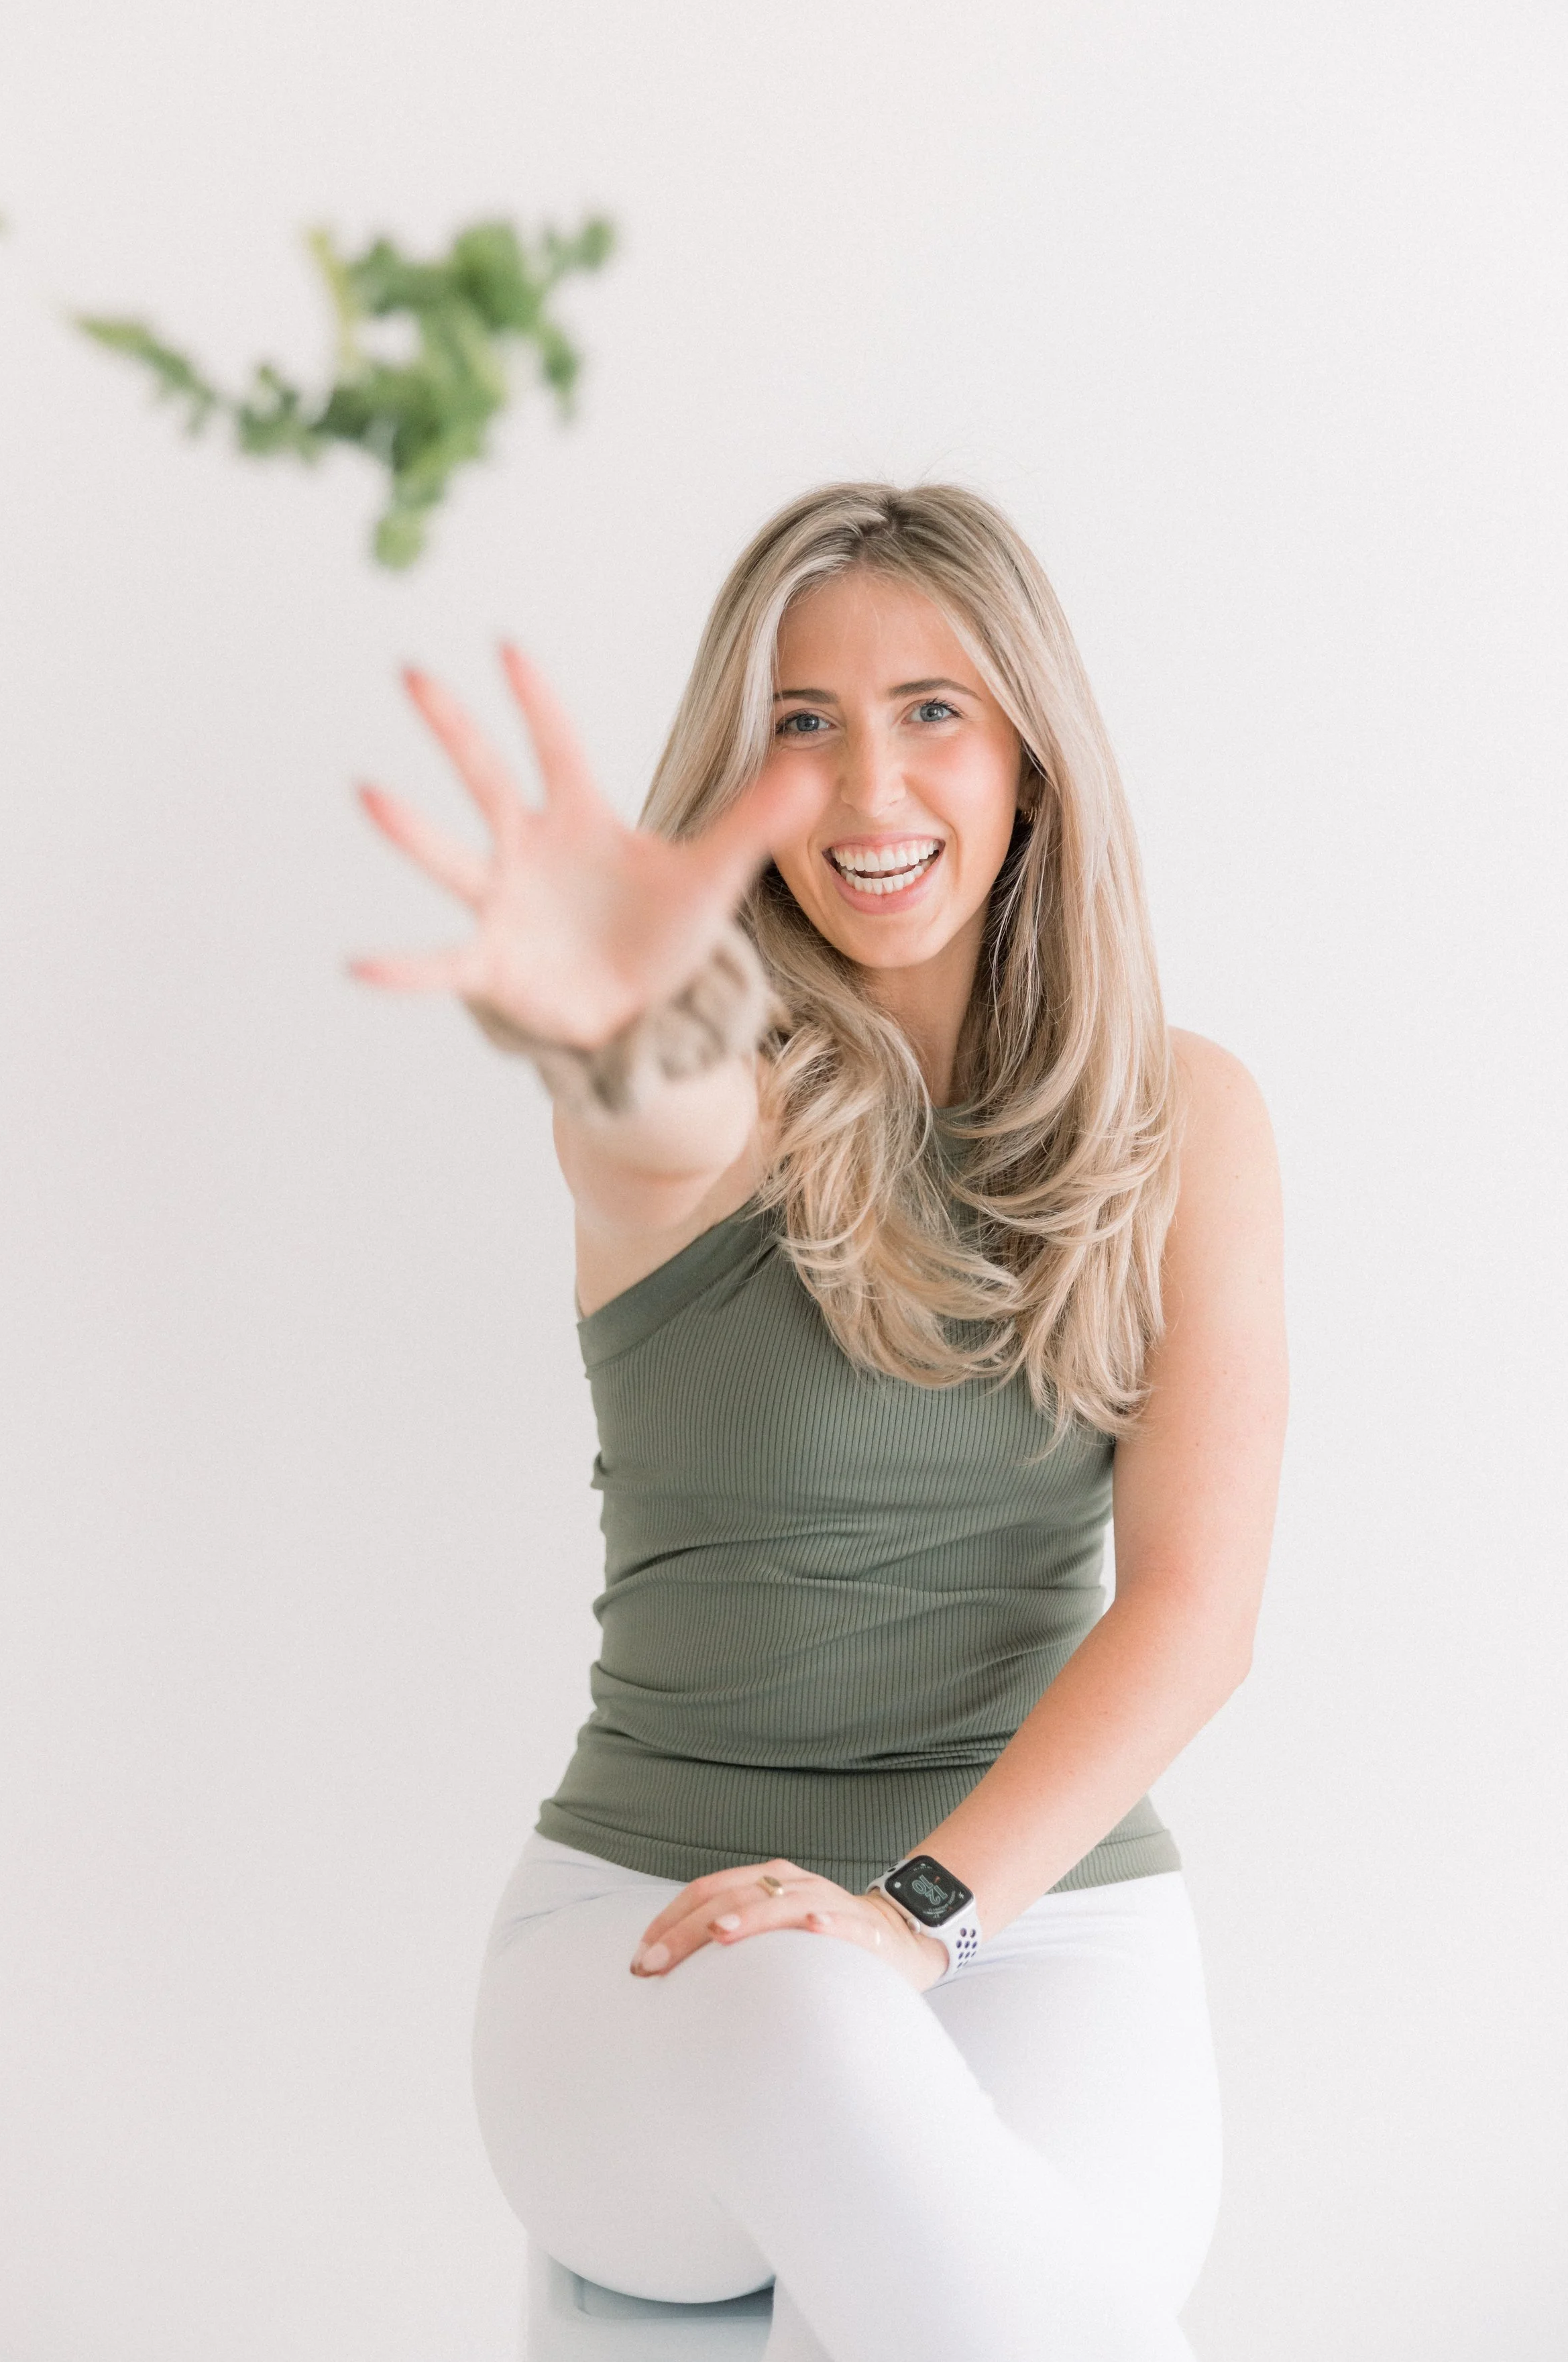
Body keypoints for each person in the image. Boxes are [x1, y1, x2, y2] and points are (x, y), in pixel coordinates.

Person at [352, 482, 1287, 2362]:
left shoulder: (1183, 1116)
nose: (869, 787)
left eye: (930, 709)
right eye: (805, 720)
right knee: (800, 2007)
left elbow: (1193, 1610)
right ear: (744, 771)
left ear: (1030, 748)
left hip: (1040, 1921)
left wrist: (915, 1912)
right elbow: (649, 1110)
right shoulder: (727, 1100)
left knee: (1012, 2282)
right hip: (654, 1951)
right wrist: (613, 1027)